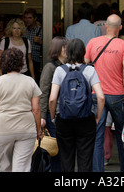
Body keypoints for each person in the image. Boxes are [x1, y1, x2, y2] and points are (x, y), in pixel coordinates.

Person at [85, 14, 124, 172]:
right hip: (117, 95)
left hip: (96, 94)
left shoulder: (92, 43)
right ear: (120, 27)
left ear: (106, 26)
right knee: (122, 135)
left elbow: (85, 67)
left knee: (97, 136)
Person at [49, 38, 104, 172]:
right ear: (83, 52)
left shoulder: (60, 70)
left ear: (67, 52)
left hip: (64, 119)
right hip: (86, 119)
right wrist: (97, 117)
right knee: (85, 160)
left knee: (66, 159)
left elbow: (52, 99)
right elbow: (101, 97)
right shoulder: (89, 70)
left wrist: (53, 117)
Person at [0, 48, 42, 172]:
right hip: (26, 127)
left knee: (5, 165)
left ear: (3, 63)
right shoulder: (30, 81)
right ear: (21, 63)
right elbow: (36, 110)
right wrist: (39, 130)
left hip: (2, 127)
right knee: (21, 167)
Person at [39, 36, 68, 172]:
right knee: (54, 149)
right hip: (52, 114)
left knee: (63, 149)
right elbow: (43, 92)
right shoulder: (50, 67)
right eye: (64, 47)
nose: (67, 49)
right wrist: (43, 115)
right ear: (58, 49)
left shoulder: (69, 66)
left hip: (66, 113)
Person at [23, 8, 43, 84]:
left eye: (30, 18)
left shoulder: (41, 30)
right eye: (25, 18)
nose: (27, 20)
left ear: (35, 18)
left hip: (37, 62)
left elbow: (49, 46)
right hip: (25, 62)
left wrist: (40, 42)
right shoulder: (23, 31)